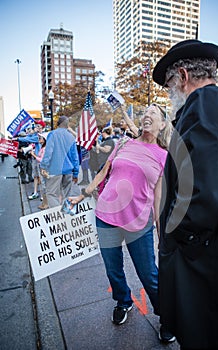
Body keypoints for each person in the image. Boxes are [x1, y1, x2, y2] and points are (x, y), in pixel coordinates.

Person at [68, 104, 174, 342]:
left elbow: (158, 198)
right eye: (145, 112)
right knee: (112, 268)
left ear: (163, 124)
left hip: (139, 223)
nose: (147, 115)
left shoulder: (164, 156)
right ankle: (123, 300)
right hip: (106, 215)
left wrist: (160, 231)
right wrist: (83, 194)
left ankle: (166, 316)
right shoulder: (123, 144)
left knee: (148, 274)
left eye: (153, 113)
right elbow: (103, 172)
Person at [152, 39, 218, 350]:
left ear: (183, 76)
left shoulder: (205, 103)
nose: (170, 91)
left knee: (203, 332)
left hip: (202, 259)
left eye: (170, 82)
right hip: (210, 252)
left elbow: (203, 189)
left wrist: (176, 235)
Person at [40, 115, 80, 208]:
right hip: (69, 170)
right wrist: (75, 173)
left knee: (51, 194)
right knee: (67, 194)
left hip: (55, 169)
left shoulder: (52, 134)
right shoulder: (71, 136)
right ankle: (65, 215)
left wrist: (43, 166)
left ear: (57, 124)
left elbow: (48, 152)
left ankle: (58, 215)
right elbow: (75, 157)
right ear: (67, 125)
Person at [30, 132, 48, 210]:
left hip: (44, 168)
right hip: (42, 168)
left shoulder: (45, 148)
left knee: (44, 186)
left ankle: (46, 204)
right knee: (43, 185)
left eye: (40, 138)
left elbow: (42, 160)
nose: (39, 140)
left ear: (44, 140)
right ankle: (44, 202)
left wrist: (34, 155)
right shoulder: (42, 147)